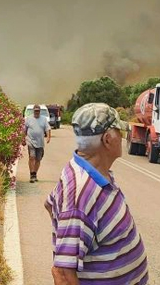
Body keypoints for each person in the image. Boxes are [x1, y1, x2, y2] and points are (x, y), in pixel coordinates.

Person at [45, 103, 148, 284]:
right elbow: (62, 273)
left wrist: (67, 233)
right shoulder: (82, 193)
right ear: (107, 139)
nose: (123, 139)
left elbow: (49, 203)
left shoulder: (84, 169)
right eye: (120, 134)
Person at [23, 104, 51, 182]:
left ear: (40, 111)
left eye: (38, 111)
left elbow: (48, 129)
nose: (37, 112)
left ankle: (35, 173)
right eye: (35, 111)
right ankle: (32, 174)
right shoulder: (28, 119)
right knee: (32, 157)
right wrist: (23, 138)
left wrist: (48, 137)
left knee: (38, 159)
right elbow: (24, 129)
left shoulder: (44, 119)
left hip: (40, 143)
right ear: (33, 111)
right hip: (30, 141)